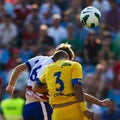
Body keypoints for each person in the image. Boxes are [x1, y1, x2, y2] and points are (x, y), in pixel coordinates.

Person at [6, 43, 112, 120]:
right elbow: (37, 87)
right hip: (41, 106)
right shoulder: (53, 68)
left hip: (28, 107)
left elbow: (18, 69)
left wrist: (11, 85)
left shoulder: (39, 58)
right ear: (66, 58)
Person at [33, 50, 112, 120]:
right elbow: (77, 87)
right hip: (74, 111)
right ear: (67, 57)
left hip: (58, 113)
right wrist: (84, 109)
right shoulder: (74, 65)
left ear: (54, 60)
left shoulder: (48, 69)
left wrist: (51, 90)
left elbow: (35, 88)